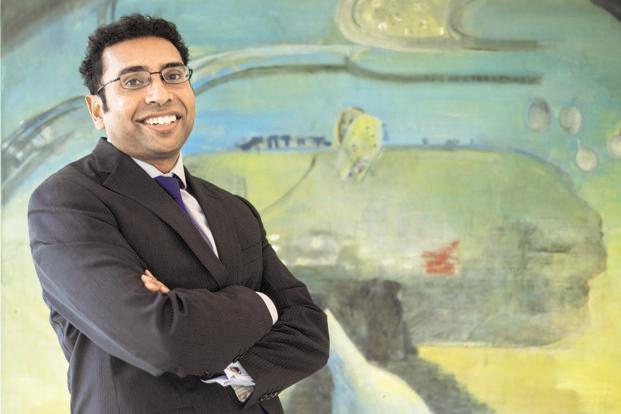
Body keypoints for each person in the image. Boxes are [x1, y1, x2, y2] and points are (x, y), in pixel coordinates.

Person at [28, 14, 329, 414]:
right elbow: (162, 338)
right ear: (97, 109)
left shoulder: (234, 208)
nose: (159, 94)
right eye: (133, 81)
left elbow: (310, 330)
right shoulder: (67, 201)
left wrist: (239, 379)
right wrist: (265, 305)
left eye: (172, 76)